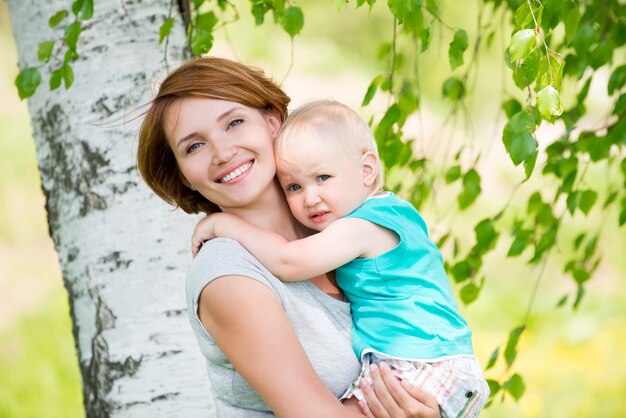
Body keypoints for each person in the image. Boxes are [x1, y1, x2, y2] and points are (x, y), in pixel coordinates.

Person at [137, 57, 441, 418]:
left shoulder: (338, 226)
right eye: (194, 146)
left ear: (272, 122)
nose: (223, 153)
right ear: (184, 175)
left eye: (234, 123)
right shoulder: (228, 274)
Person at [191, 100, 489, 418]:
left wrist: (221, 224)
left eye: (323, 178)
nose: (310, 197)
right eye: (294, 186)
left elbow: (290, 262)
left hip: (420, 362)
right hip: (429, 358)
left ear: (366, 170)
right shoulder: (391, 212)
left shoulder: (361, 227)